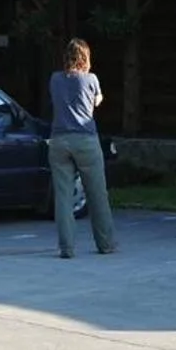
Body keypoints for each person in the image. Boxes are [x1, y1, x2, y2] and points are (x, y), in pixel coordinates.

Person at [47, 38, 117, 259]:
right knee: (97, 194)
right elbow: (96, 102)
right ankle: (105, 243)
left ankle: (66, 248)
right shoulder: (91, 79)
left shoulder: (55, 79)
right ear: (86, 58)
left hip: (58, 140)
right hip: (85, 139)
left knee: (63, 196)